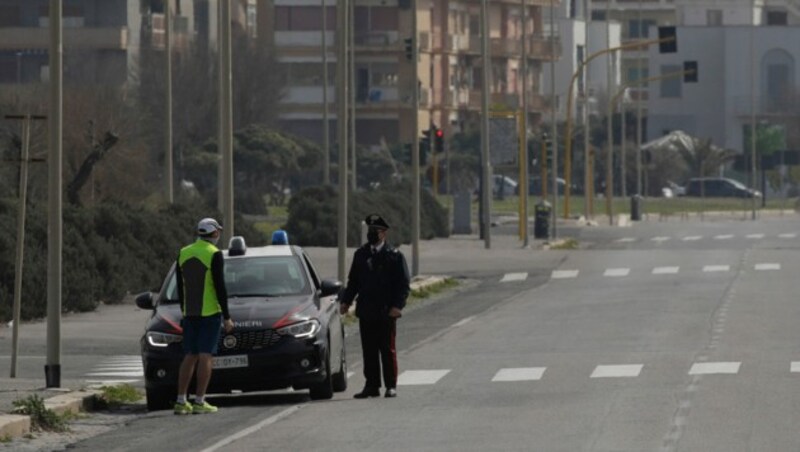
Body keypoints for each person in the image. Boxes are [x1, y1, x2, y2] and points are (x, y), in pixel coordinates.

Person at [340, 214, 410, 399]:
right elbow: (353, 281)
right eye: (369, 230)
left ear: (384, 233)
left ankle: (390, 385)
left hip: (386, 311)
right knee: (369, 351)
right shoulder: (361, 255)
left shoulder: (394, 256)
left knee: (387, 349)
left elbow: (403, 284)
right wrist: (346, 301)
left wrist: (397, 306)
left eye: (375, 231)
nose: (371, 234)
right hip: (367, 310)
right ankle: (371, 385)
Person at [173, 218, 234, 415]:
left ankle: (181, 401)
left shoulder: (183, 252)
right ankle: (200, 400)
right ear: (214, 233)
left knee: (189, 355)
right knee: (206, 355)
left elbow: (180, 287)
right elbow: (220, 286)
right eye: (219, 232)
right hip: (209, 313)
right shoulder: (214, 254)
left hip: (189, 313)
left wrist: (183, 310)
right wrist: (227, 316)